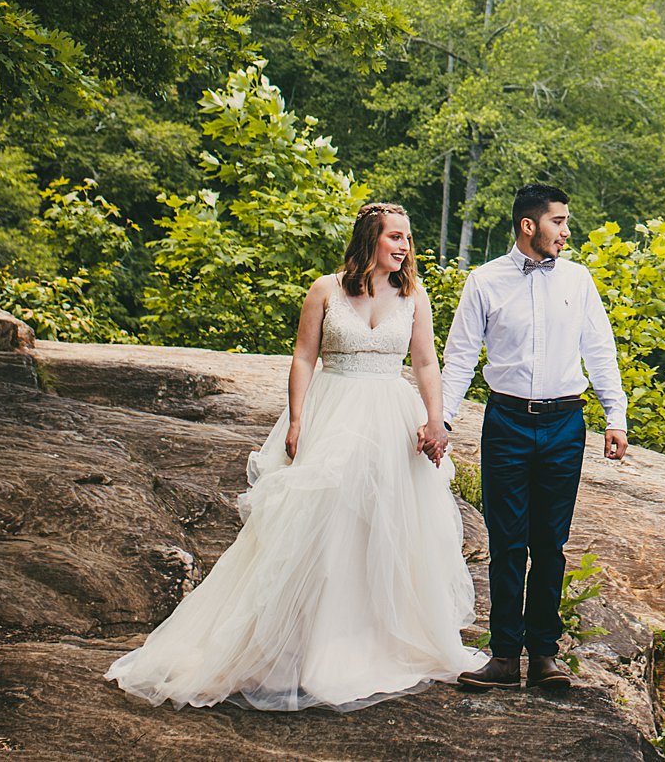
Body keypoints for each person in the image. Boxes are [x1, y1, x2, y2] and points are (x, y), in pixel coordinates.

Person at [105, 202, 485, 710]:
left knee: (385, 528)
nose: (404, 247)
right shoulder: (326, 290)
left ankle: (372, 640)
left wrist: (436, 420)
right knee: (318, 528)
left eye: (408, 239)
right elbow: (305, 356)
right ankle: (302, 646)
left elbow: (425, 362)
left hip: (392, 420)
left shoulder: (413, 297)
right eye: (395, 237)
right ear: (369, 238)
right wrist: (298, 418)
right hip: (334, 414)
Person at [440, 182, 629, 691]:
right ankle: (503, 656)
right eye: (559, 222)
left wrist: (616, 416)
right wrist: (443, 419)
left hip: (566, 423)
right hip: (506, 423)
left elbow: (600, 350)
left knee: (551, 543)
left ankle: (545, 653)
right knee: (507, 544)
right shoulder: (484, 281)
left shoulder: (579, 279)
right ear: (530, 225)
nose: (567, 233)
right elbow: (459, 356)